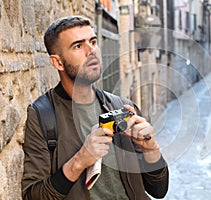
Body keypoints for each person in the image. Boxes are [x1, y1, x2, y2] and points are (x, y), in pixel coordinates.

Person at [22, 16, 169, 200]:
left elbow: (159, 190)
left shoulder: (122, 107)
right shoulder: (42, 115)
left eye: (93, 41)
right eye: (78, 45)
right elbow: (32, 195)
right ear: (57, 62)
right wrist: (79, 161)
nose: (91, 51)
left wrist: (151, 149)